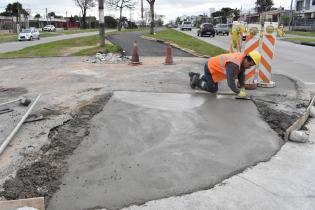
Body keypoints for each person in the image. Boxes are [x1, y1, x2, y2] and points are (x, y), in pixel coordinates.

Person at [189, 50, 261, 98]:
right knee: (212, 89)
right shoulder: (234, 64)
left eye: (251, 66)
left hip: (216, 70)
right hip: (210, 67)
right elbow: (230, 82)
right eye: (249, 65)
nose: (249, 67)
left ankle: (196, 76)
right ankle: (197, 81)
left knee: (212, 83)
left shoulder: (243, 60)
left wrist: (242, 87)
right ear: (247, 60)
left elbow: (241, 75)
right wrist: (238, 92)